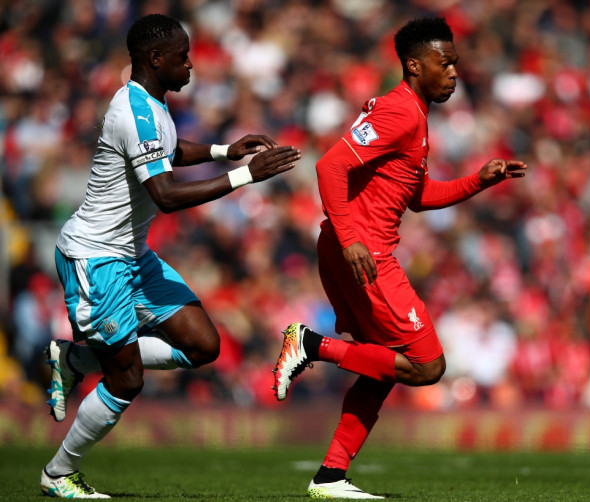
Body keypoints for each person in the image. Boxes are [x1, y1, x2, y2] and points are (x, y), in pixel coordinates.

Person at [41, 13, 301, 499]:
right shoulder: (133, 112)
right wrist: (247, 176)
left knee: (203, 346)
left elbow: (169, 151)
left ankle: (75, 359)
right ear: (155, 59)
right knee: (128, 381)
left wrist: (225, 150)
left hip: (131, 254)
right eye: (182, 55)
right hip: (96, 259)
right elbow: (164, 194)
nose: (191, 63)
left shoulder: (152, 104)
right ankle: (59, 473)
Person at [272, 16, 527, 500]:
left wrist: (479, 180)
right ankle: (310, 344)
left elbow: (416, 196)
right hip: (362, 253)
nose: (454, 71)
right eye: (444, 62)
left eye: (456, 62)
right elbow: (331, 165)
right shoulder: (402, 112)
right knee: (427, 366)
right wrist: (351, 239)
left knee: (382, 367)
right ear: (414, 65)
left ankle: (330, 475)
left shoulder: (412, 114)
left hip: (354, 248)